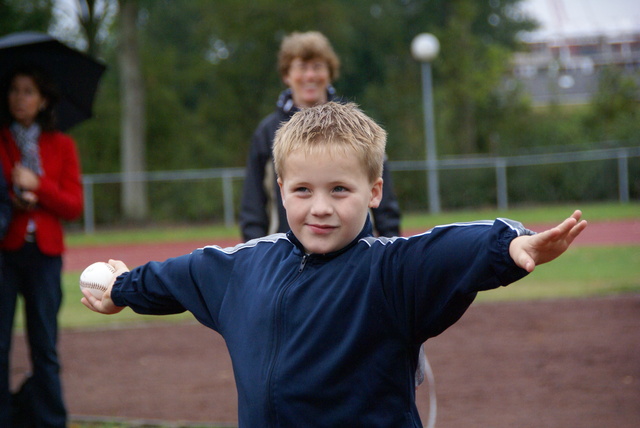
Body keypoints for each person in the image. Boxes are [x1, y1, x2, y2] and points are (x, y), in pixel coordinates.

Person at [82, 102, 587, 426]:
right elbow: (182, 275)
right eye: (303, 190)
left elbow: (448, 248)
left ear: (374, 192)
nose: (319, 207)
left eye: (339, 190)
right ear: (281, 190)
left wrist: (509, 246)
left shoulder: (390, 273)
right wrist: (123, 289)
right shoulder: (246, 267)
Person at [239, 31, 401, 241]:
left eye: (317, 67)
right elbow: (253, 203)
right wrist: (257, 258)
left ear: (330, 72)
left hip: (353, 248)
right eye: (302, 67)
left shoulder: (356, 126)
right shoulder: (267, 131)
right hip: (288, 257)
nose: (310, 76)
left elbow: (382, 190)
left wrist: (390, 240)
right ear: (286, 75)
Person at [0, 65, 84, 428]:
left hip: (46, 255)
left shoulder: (62, 144)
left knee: (44, 346)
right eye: (15, 90)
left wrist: (39, 185)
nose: (20, 98)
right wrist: (11, 197)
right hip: (4, 251)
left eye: (29, 91)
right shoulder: (0, 139)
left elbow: (73, 205)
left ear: (43, 99)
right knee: (0, 346)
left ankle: (52, 420)